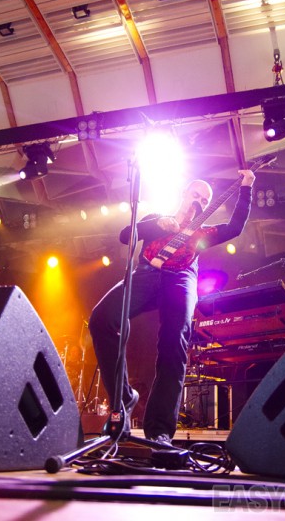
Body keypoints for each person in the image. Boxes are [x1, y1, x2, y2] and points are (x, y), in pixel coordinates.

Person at [89, 169, 255, 445]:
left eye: (205, 200)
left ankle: (160, 430)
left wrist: (246, 188)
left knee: (174, 340)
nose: (199, 201)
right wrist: (160, 225)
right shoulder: (158, 219)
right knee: (101, 320)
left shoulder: (204, 233)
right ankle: (123, 399)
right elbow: (125, 235)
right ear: (183, 194)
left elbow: (235, 227)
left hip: (180, 278)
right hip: (145, 274)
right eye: (195, 195)